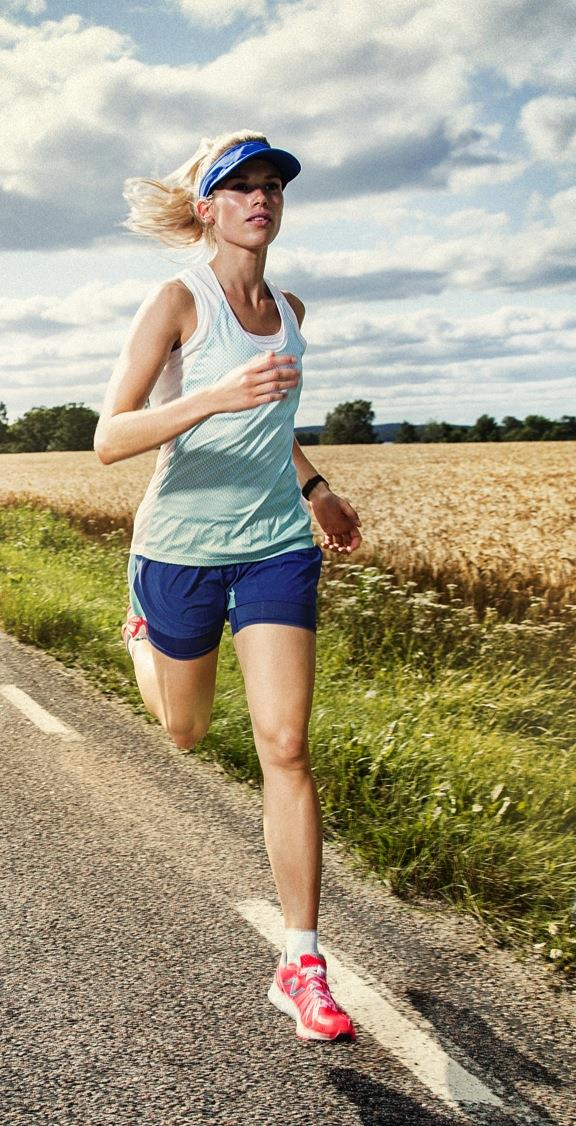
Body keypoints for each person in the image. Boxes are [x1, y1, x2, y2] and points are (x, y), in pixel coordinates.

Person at [94, 130, 362, 1042]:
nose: (261, 199)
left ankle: (302, 960)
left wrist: (316, 489)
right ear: (207, 207)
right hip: (179, 549)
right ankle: (144, 637)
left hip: (275, 548)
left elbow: (270, 423)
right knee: (186, 731)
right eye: (240, 187)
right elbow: (111, 437)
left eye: (271, 186)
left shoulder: (289, 307)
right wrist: (211, 394)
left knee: (285, 744)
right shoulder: (178, 300)